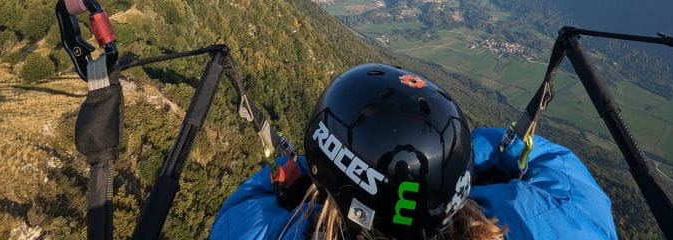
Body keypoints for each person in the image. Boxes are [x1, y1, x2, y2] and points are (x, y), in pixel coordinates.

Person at [209, 63, 618, 239]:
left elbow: (248, 204)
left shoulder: (265, 230)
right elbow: (549, 161)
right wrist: (451, 164)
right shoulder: (558, 217)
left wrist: (299, 176)